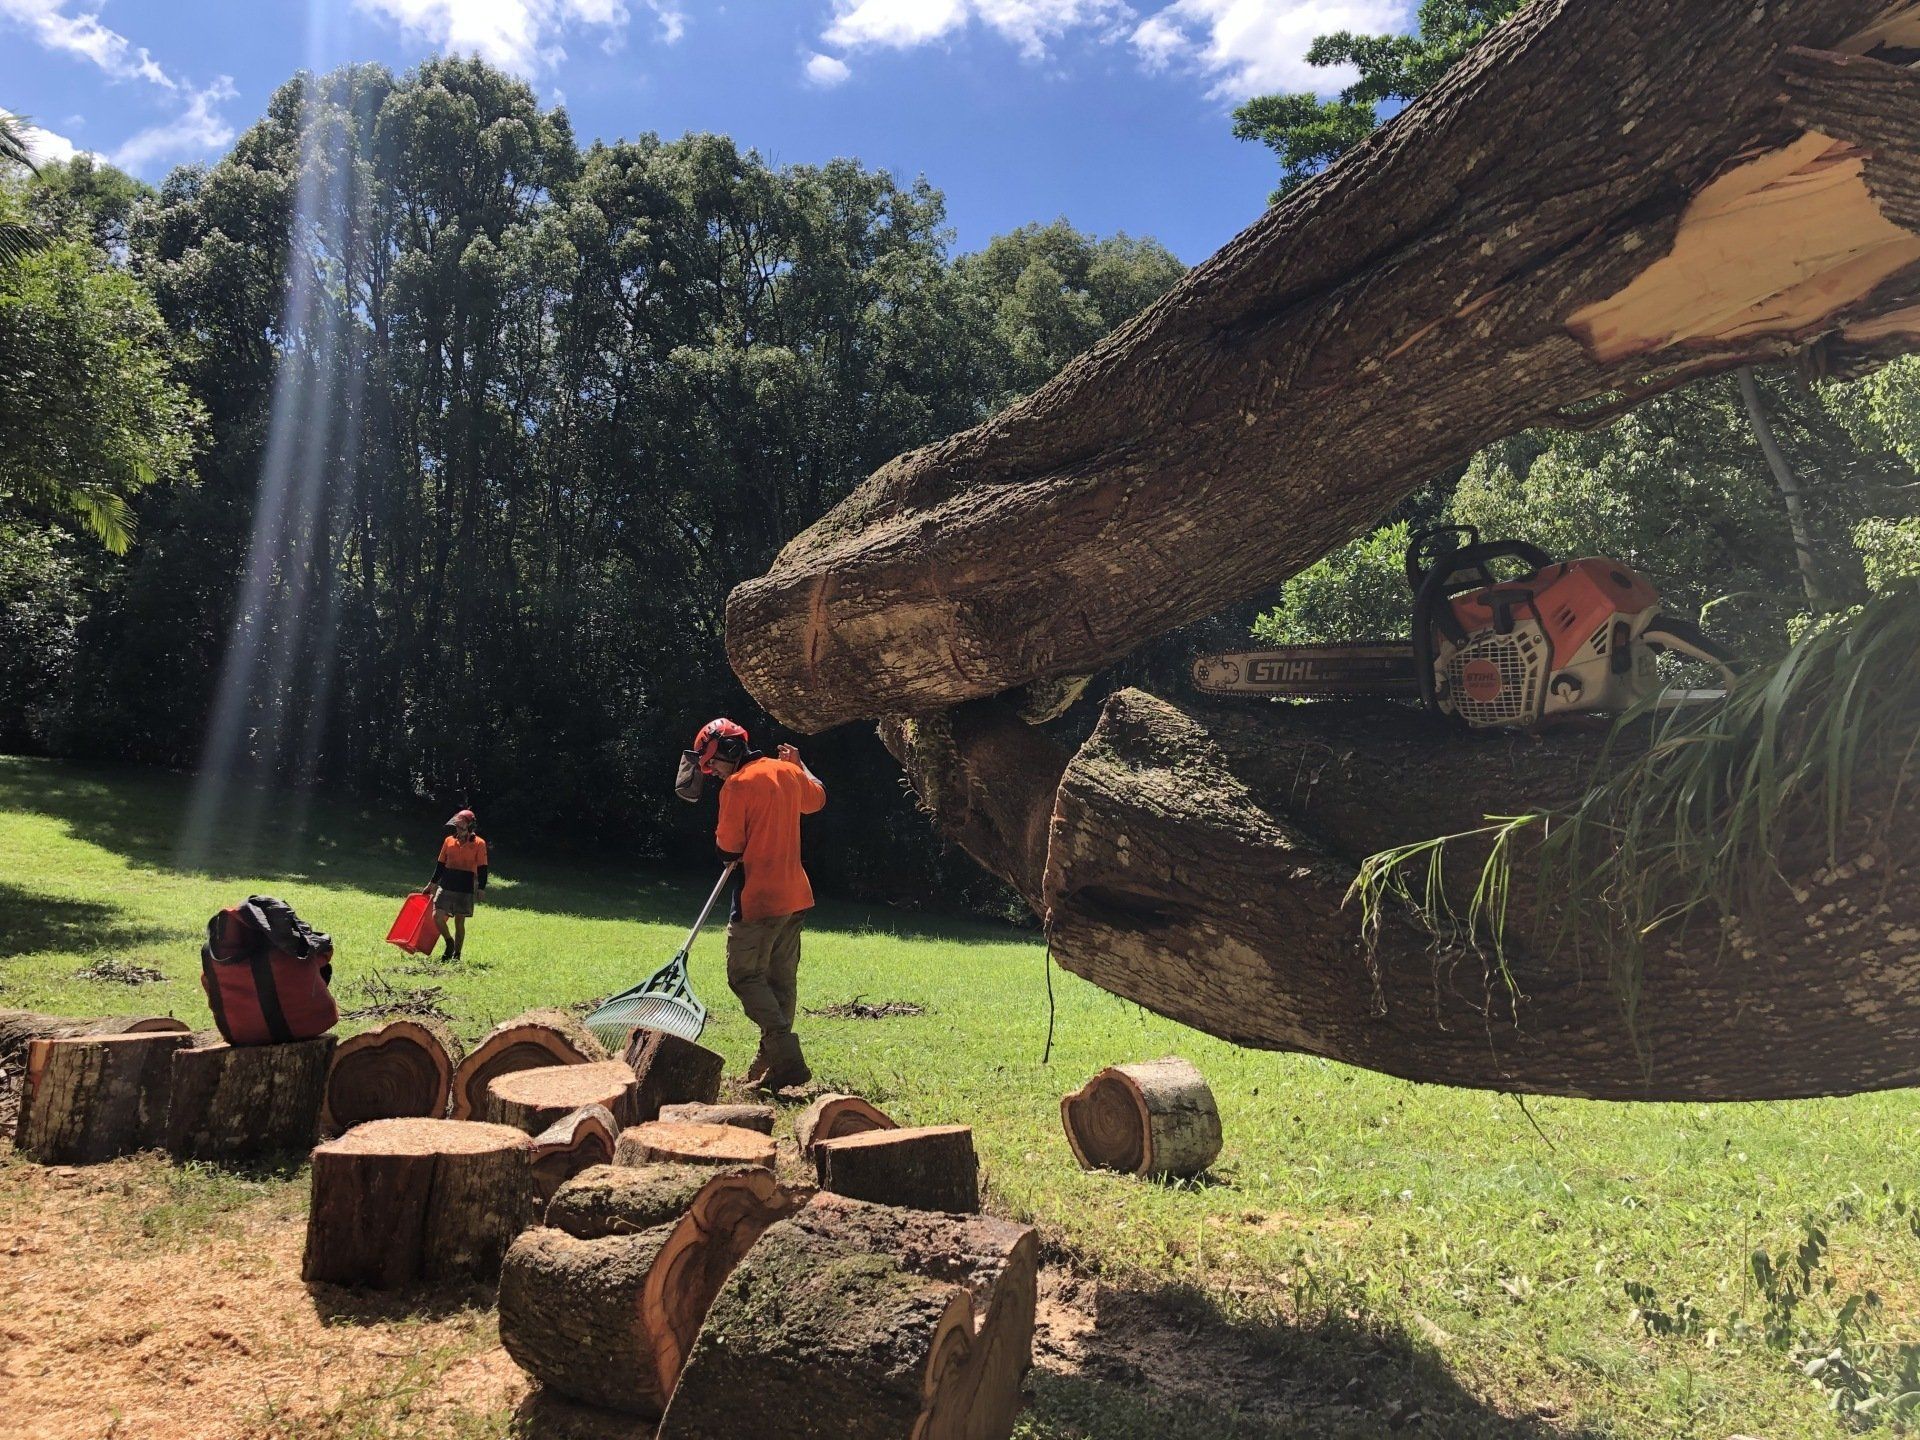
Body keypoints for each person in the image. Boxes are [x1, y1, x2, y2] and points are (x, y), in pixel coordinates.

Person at [692, 717, 826, 1091]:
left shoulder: (737, 786)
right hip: (795, 896)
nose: (712, 772)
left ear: (730, 750)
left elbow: (728, 848)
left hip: (760, 899)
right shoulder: (788, 772)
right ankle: (769, 1066)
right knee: (781, 981)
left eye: (713, 763)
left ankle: (786, 1056)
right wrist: (801, 764)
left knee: (744, 976)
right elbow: (818, 798)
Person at [424, 808, 488, 961]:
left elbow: (483, 868)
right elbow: (440, 865)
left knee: (460, 922)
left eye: (462, 826)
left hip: (465, 886)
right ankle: (449, 942)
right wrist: (432, 883)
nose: (458, 829)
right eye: (457, 826)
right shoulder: (449, 841)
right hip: (446, 884)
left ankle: (456, 955)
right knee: (437, 916)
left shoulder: (479, 844)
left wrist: (481, 888)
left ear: (470, 826)